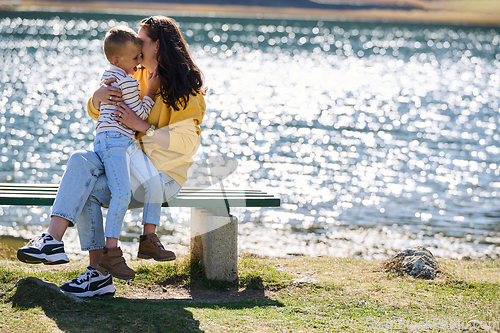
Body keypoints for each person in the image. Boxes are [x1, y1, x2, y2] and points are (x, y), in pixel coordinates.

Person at [17, 15, 207, 297]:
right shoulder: (135, 72)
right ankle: (52, 241)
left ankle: (98, 275)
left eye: (141, 40)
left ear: (158, 46)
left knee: (88, 189)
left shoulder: (185, 92)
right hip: (125, 158)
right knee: (80, 160)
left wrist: (142, 126)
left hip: (160, 176)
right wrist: (96, 97)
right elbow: (101, 112)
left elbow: (188, 144)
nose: (134, 43)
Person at [93, 25, 163, 280]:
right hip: (118, 143)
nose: (139, 63)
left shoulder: (107, 76)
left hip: (111, 141)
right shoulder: (129, 82)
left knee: (154, 181)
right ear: (117, 60)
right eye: (135, 58)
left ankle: (148, 239)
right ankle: (112, 253)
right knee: (121, 193)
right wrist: (151, 91)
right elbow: (139, 116)